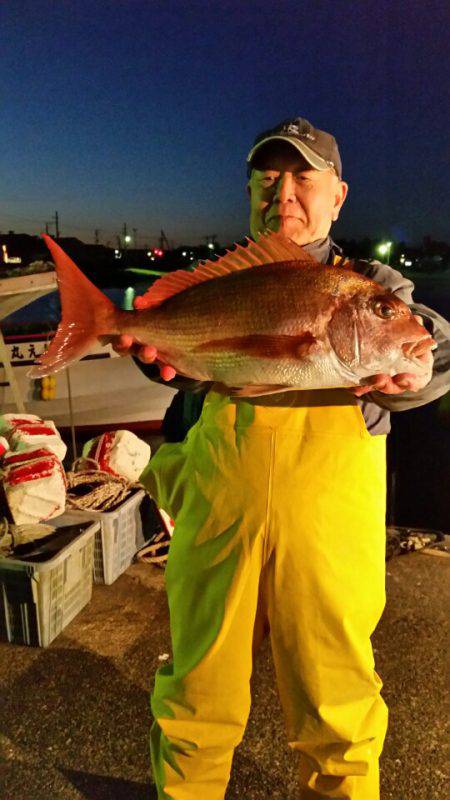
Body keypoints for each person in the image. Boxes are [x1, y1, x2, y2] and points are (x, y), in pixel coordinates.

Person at [114, 117, 449, 800]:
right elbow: (188, 369)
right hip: (218, 518)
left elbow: (429, 345)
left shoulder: (368, 285)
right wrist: (162, 360)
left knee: (339, 710)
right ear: (249, 194)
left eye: (304, 177)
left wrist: (423, 372)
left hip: (330, 540)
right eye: (268, 178)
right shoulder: (217, 282)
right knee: (195, 700)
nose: (285, 193)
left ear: (338, 195)